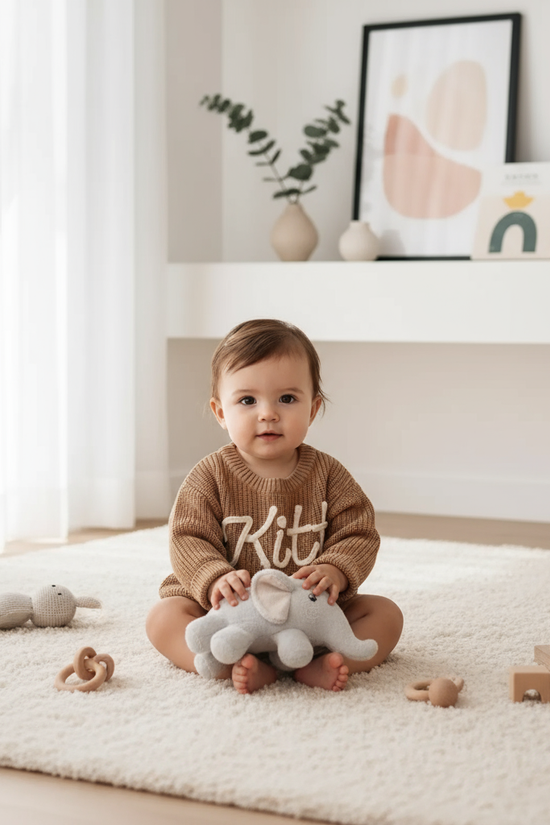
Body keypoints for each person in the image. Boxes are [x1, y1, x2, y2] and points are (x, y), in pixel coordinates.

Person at [146, 319, 403, 694]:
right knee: (163, 618)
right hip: (229, 617)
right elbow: (188, 537)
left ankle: (319, 665)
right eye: (247, 400)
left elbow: (359, 531)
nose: (268, 413)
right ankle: (223, 664)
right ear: (221, 412)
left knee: (385, 615)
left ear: (313, 409)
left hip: (309, 618)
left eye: (287, 398)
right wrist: (215, 575)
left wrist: (336, 568)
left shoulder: (328, 474)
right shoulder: (209, 476)